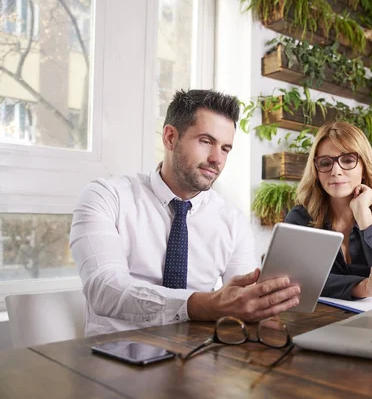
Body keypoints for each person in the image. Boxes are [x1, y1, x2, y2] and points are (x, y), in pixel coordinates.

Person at [70, 89, 300, 336]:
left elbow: (245, 302)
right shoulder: (107, 197)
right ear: (170, 137)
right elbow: (104, 289)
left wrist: (253, 302)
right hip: (115, 357)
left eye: (225, 149)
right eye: (206, 141)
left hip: (196, 356)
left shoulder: (232, 220)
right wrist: (204, 304)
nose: (217, 159)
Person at [285, 121, 372, 300]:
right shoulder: (300, 219)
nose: (335, 171)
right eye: (325, 162)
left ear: (365, 168)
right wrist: (364, 287)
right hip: (317, 320)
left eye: (348, 160)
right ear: (316, 171)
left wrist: (363, 215)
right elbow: (297, 280)